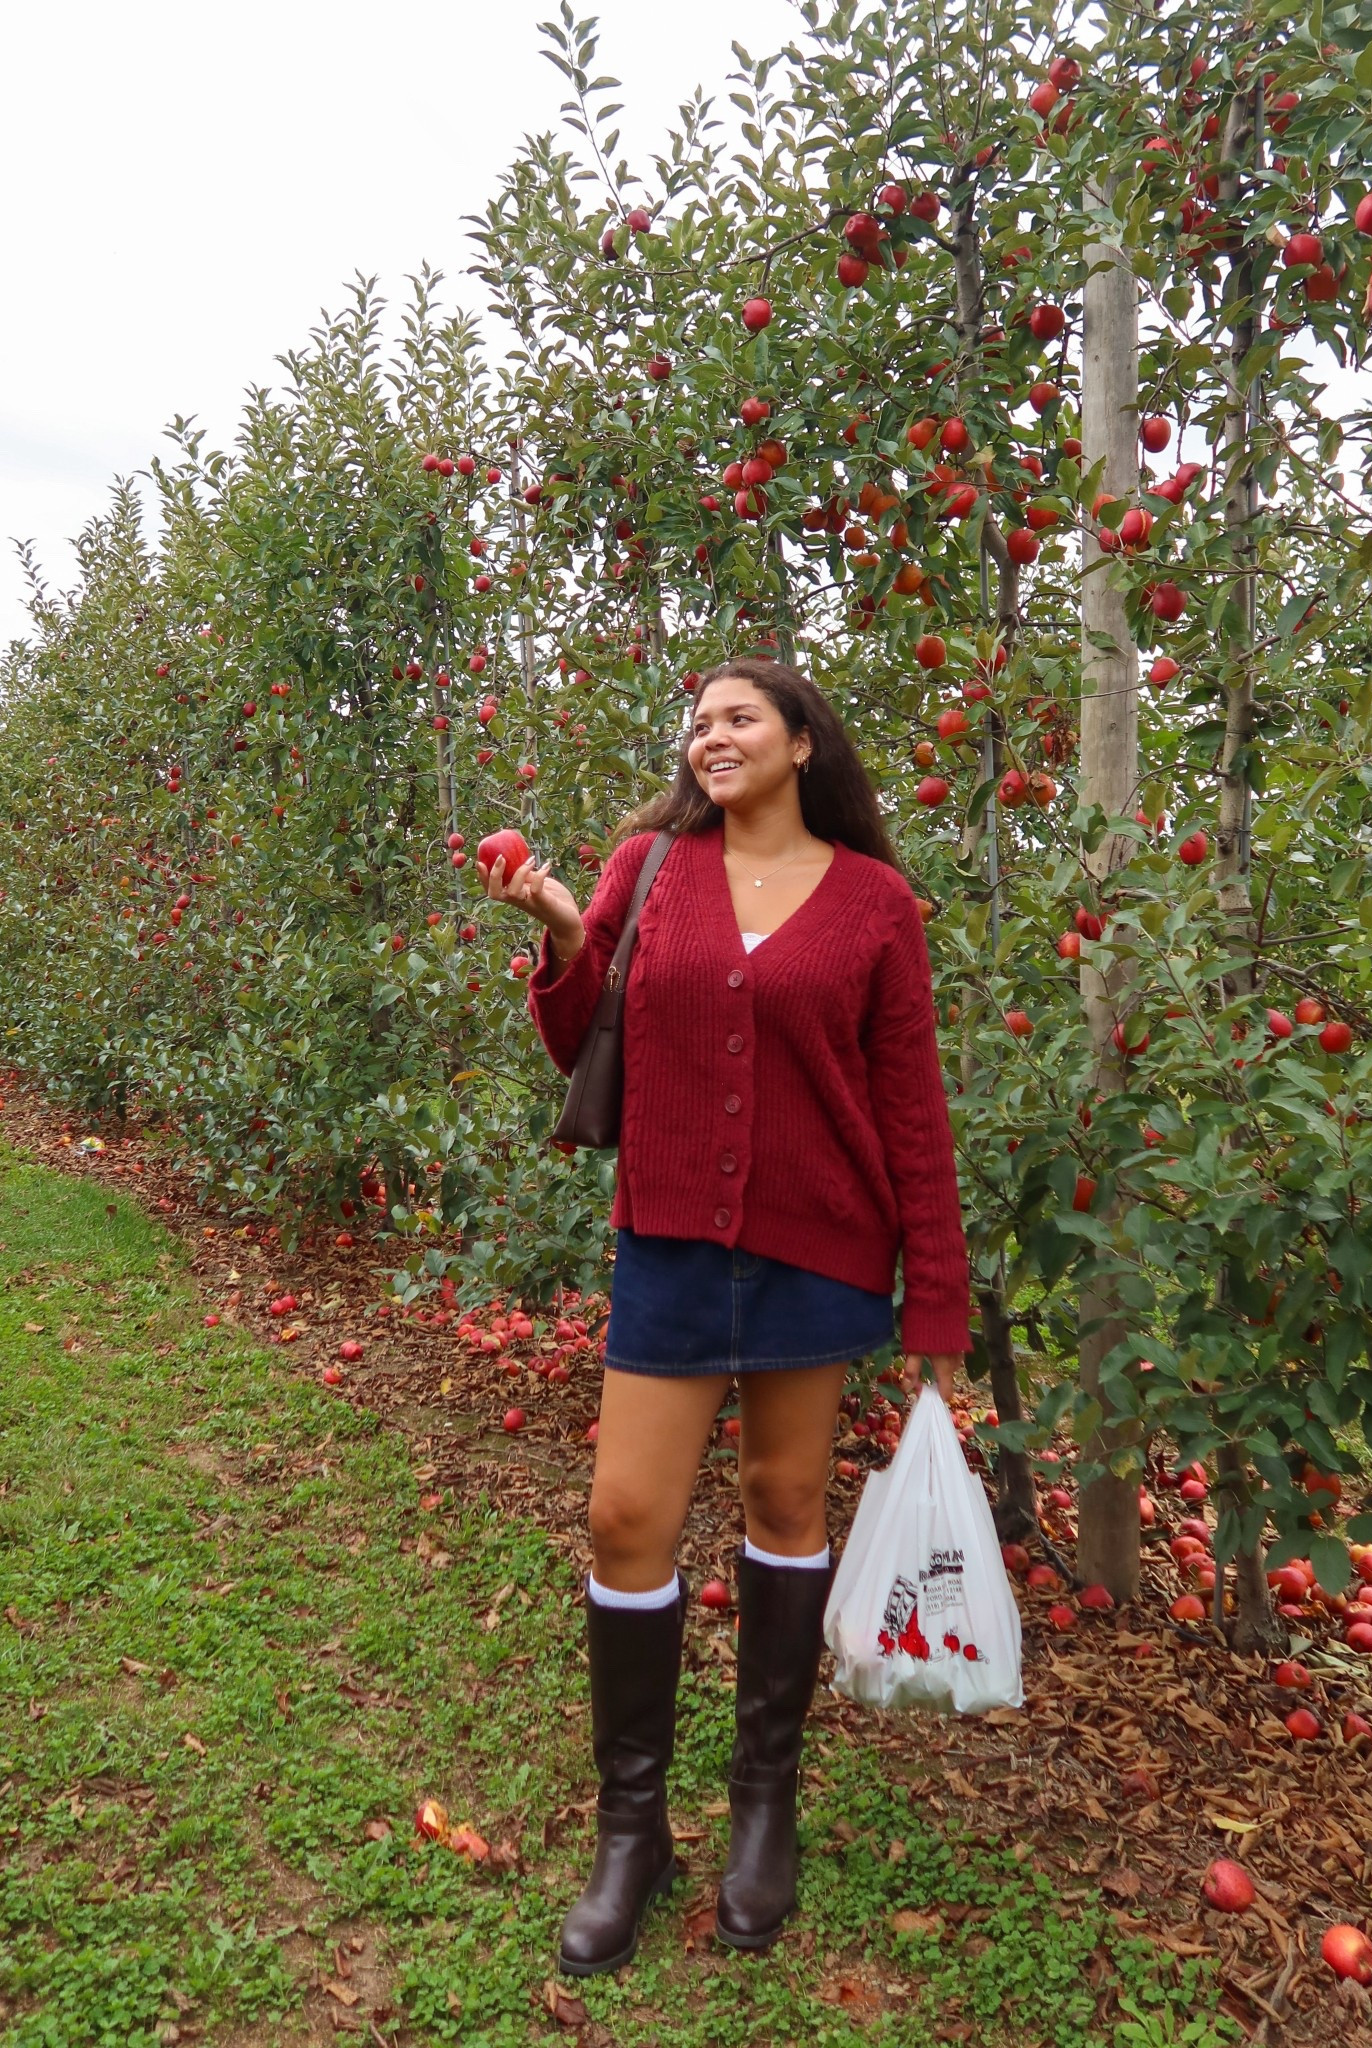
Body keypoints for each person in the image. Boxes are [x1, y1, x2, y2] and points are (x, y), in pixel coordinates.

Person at [478, 654, 971, 1976]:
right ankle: (632, 1832)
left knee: (783, 1507)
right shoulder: (648, 870)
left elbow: (912, 1109)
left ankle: (764, 1811)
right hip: (673, 1244)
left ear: (804, 740)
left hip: (820, 1251)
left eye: (739, 716)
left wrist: (936, 1299)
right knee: (625, 1517)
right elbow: (582, 1037)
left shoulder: (876, 903)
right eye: (697, 723)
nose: (712, 738)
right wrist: (566, 940)